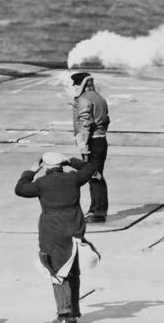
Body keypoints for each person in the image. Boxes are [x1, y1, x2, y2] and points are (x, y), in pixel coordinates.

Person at [15, 151, 97, 323]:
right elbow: (89, 168)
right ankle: (74, 312)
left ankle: (64, 315)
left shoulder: (42, 183)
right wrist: (71, 161)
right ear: (61, 165)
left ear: (45, 166)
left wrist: (30, 172)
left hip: (52, 232)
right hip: (75, 228)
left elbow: (20, 189)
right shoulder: (73, 179)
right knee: (73, 272)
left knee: (58, 273)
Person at [68, 70, 109, 223]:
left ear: (82, 84)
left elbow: (85, 123)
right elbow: (107, 119)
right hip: (101, 140)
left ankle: (97, 213)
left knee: (94, 177)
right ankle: (97, 210)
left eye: (76, 84)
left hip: (91, 141)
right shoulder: (100, 98)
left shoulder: (84, 100)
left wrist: (83, 146)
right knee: (97, 175)